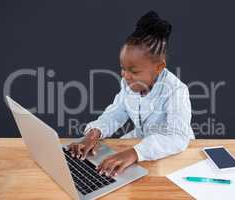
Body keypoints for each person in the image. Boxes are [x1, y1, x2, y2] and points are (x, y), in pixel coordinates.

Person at [69, 10, 195, 177]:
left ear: (158, 67)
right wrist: (95, 132)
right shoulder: (129, 84)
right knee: (103, 165)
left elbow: (177, 138)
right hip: (141, 144)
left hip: (172, 152)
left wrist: (134, 153)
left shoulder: (176, 91)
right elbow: (116, 113)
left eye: (133, 71)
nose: (125, 76)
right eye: (123, 68)